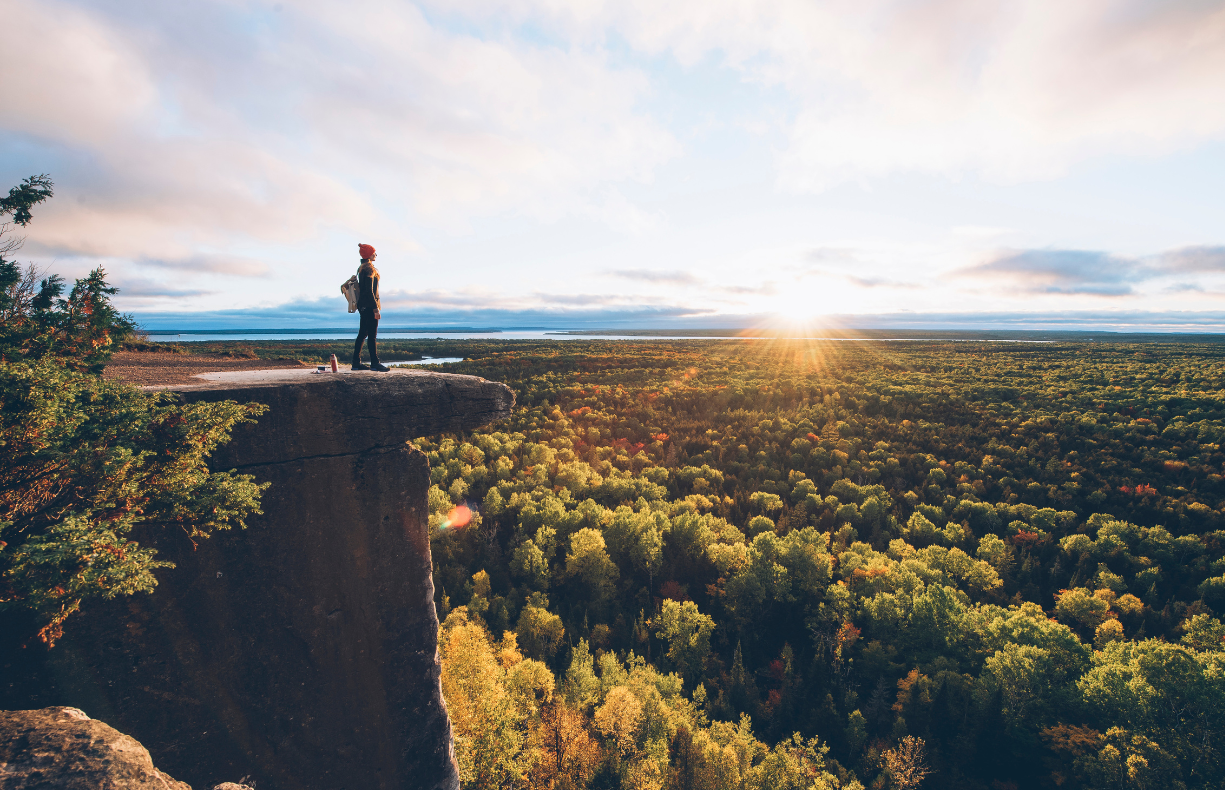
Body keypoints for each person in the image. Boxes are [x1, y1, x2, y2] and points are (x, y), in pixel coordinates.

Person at [352, 243, 390, 372]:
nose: (376, 255)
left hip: (363, 306)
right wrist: (375, 308)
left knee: (362, 334)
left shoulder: (362, 267)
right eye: (374, 252)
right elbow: (369, 291)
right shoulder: (369, 269)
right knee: (372, 336)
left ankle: (356, 363)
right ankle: (375, 363)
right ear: (369, 254)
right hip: (369, 306)